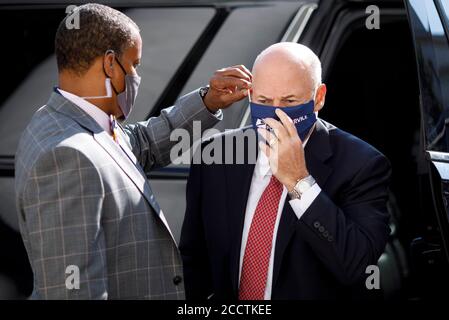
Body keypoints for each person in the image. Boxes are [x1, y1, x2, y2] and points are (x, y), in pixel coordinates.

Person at [14, 3, 251, 300]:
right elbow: (72, 293)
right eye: (135, 64)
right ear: (110, 65)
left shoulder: (68, 121)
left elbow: (140, 143)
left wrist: (208, 101)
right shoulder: (68, 157)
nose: (136, 75)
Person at [179, 42, 391, 300]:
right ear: (250, 94)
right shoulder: (215, 156)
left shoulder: (361, 164)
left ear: (319, 97)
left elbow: (355, 265)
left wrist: (299, 182)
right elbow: (193, 264)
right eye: (264, 101)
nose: (276, 112)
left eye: (289, 101)